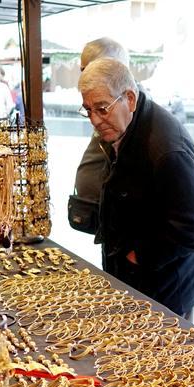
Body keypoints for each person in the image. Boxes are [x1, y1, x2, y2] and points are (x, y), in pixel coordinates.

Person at [78, 58, 194, 317]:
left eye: (102, 108)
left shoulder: (166, 150)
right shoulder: (126, 125)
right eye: (87, 110)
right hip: (140, 277)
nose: (94, 120)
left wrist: (139, 255)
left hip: (167, 285)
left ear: (129, 98)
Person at [70, 37, 136, 238]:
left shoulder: (131, 116)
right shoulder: (108, 111)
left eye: (88, 69)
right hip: (110, 228)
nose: (95, 120)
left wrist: (137, 255)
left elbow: (190, 225)